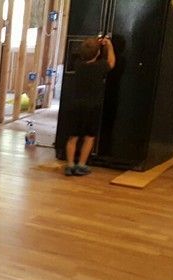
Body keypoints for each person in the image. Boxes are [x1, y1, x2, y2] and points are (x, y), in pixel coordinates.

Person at [64, 36, 115, 176]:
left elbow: (80, 53)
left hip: (76, 106)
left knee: (72, 137)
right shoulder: (100, 66)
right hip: (93, 107)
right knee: (89, 136)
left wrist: (92, 44)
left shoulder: (78, 65)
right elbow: (112, 62)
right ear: (98, 53)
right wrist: (108, 45)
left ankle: (69, 165)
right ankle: (81, 165)